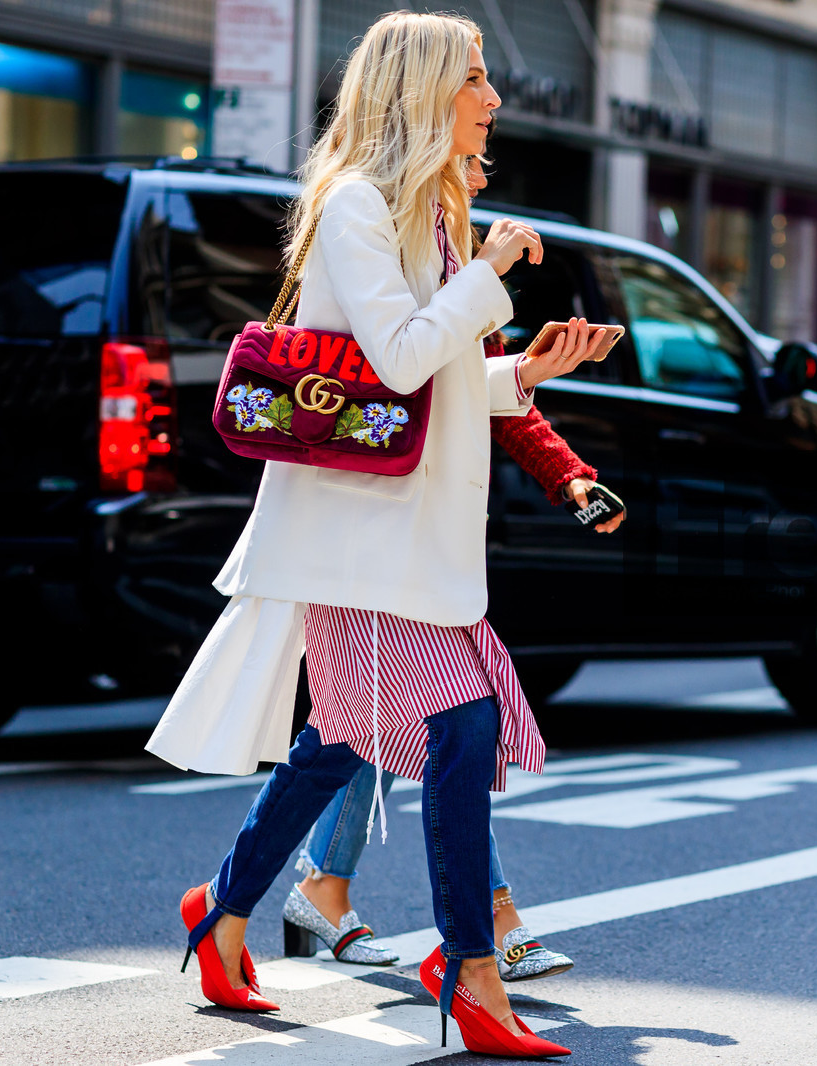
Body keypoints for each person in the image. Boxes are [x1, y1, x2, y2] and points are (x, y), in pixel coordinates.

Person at [147, 12, 607, 1058]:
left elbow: (424, 379)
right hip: (355, 539)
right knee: (462, 721)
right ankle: (473, 969)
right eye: (475, 79)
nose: (491, 99)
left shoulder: (426, 216)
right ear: (421, 90)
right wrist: (487, 274)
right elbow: (398, 361)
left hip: (397, 535)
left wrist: (525, 372)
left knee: (345, 739)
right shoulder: (355, 206)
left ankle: (219, 913)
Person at [284, 150, 619, 979]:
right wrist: (487, 273)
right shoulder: (381, 227)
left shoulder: (446, 245)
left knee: (381, 719)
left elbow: (468, 383)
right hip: (373, 516)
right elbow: (402, 367)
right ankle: (481, 924)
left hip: (422, 524)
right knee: (437, 717)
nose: (482, 169)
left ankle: (294, 891)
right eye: (471, 158)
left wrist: (563, 459)